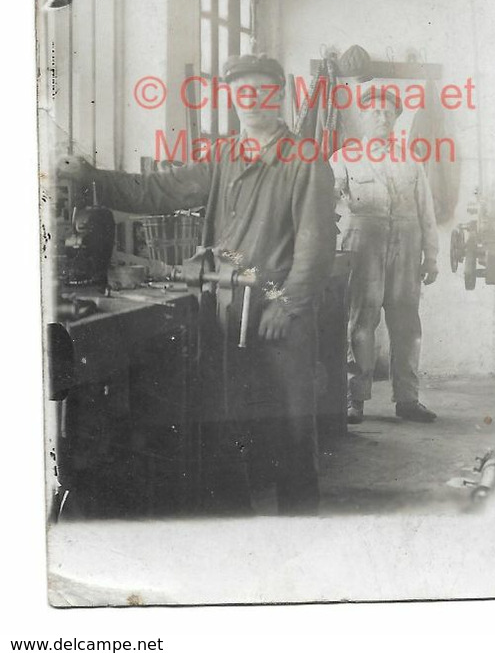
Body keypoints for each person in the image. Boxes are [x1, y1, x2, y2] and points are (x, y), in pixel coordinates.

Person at [58, 54, 336, 515]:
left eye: (262, 91)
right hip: (226, 315)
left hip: (277, 318)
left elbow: (316, 247)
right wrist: (93, 180)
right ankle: (238, 541)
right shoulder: (226, 154)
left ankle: (300, 540)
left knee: (289, 434)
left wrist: (286, 305)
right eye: (241, 92)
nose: (251, 100)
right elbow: (160, 190)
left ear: (280, 95)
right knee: (229, 428)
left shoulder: (305, 160)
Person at [333, 90, 439, 425]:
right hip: (363, 247)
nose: (381, 117)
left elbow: (427, 212)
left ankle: (407, 399)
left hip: (407, 248)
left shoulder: (411, 160)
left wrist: (432, 257)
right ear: (362, 117)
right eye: (374, 111)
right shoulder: (344, 158)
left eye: (388, 112)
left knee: (407, 324)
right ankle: (355, 399)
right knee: (361, 324)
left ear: (396, 118)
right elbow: (327, 202)